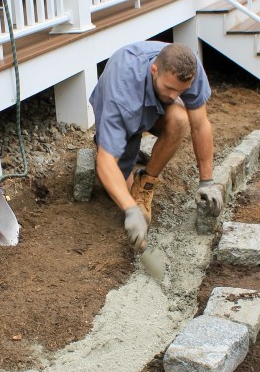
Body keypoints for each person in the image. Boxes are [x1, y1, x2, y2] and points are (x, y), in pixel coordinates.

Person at [89, 41, 223, 251]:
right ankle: (111, 143)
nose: (174, 96)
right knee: (118, 191)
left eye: (180, 91)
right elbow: (106, 162)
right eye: (169, 88)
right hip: (123, 108)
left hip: (152, 106)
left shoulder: (189, 70)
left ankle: (145, 183)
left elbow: (200, 124)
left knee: (180, 119)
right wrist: (130, 210)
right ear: (154, 70)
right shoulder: (122, 94)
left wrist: (207, 182)